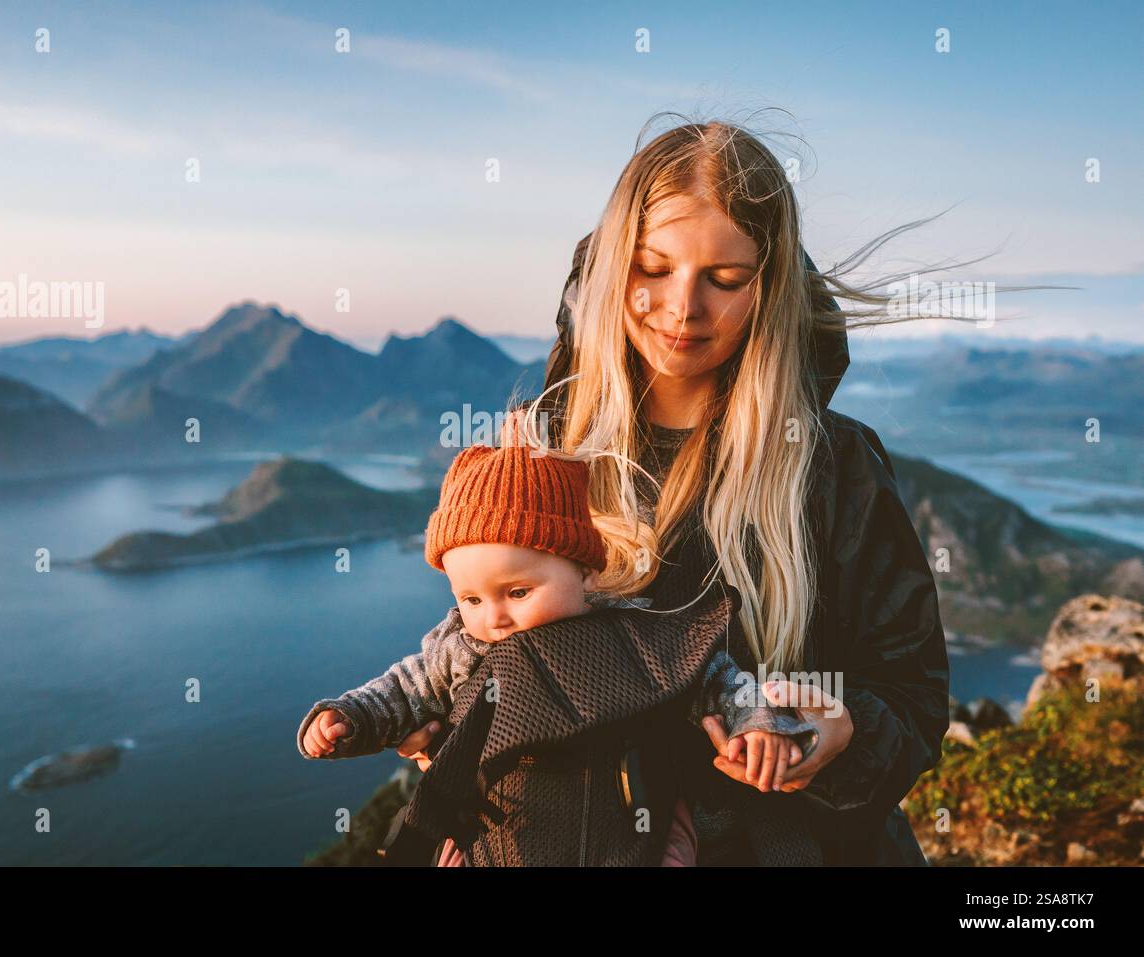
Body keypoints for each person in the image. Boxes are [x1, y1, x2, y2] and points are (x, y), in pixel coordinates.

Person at [395, 116, 954, 866]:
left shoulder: (834, 467)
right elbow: (487, 639)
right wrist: (457, 733)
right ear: (609, 266)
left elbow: (913, 700)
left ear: (772, 287)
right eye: (652, 268)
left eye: (725, 280)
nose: (682, 307)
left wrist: (842, 734)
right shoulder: (540, 444)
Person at [297, 424, 820, 865]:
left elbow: (721, 684)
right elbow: (402, 690)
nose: (495, 617)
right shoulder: (459, 648)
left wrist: (760, 727)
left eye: (518, 592)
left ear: (587, 571)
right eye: (471, 599)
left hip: (633, 840)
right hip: (497, 840)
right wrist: (349, 719)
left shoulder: (637, 634)